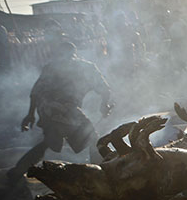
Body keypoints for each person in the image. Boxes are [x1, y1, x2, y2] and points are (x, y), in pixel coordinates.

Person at [7, 42, 112, 181]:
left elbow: (35, 92)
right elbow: (105, 89)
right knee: (93, 139)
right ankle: (101, 173)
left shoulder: (51, 67)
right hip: (65, 110)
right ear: (74, 53)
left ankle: (17, 171)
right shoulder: (85, 68)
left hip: (48, 110)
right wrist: (104, 105)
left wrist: (31, 114)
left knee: (48, 142)